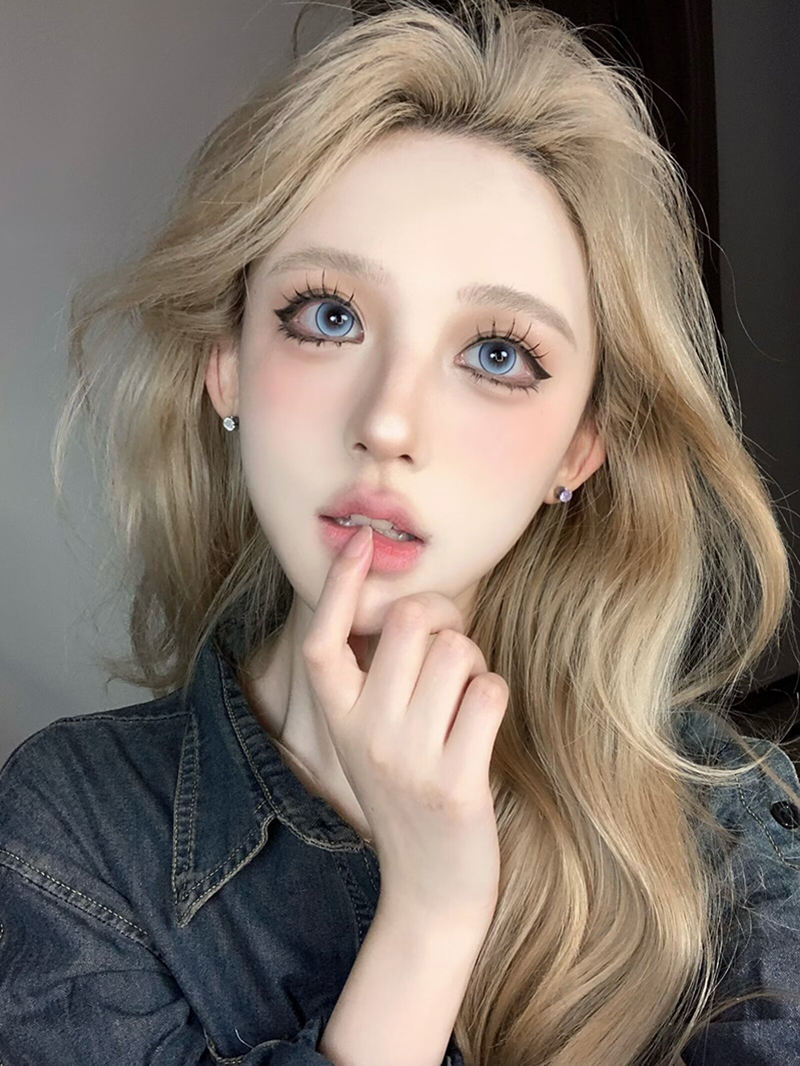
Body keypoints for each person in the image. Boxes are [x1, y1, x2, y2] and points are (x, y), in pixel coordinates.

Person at [1, 0, 799, 1063]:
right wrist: (428, 917)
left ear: (579, 449)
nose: (387, 423)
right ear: (225, 365)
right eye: (329, 316)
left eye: (498, 355)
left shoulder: (721, 825)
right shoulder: (72, 827)